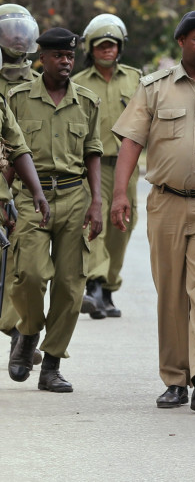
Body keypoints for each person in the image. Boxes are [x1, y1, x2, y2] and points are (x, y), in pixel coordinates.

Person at [110, 10, 195, 412]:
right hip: (167, 202)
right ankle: (175, 380)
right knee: (171, 294)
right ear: (181, 42)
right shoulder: (153, 88)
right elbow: (131, 144)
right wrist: (121, 194)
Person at [6, 27, 102, 392]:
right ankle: (28, 333)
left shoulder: (88, 101)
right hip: (31, 196)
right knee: (28, 274)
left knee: (70, 284)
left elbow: (93, 151)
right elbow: (9, 152)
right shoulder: (17, 98)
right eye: (58, 56)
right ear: (40, 58)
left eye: (70, 56)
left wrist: (96, 201)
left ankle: (51, 365)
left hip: (74, 194)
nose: (65, 62)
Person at [73, 13, 142, 319]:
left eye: (112, 45)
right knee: (94, 221)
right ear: (90, 48)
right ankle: (95, 287)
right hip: (93, 165)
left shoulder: (137, 79)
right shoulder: (76, 83)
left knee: (122, 226)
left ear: (119, 48)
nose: (107, 50)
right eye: (101, 45)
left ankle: (109, 288)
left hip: (127, 167)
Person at [0, 3, 43, 366]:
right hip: (3, 181)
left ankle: (20, 329)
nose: (16, 37)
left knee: (22, 264)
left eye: (21, 31)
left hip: (28, 186)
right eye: (8, 31)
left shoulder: (42, 83)